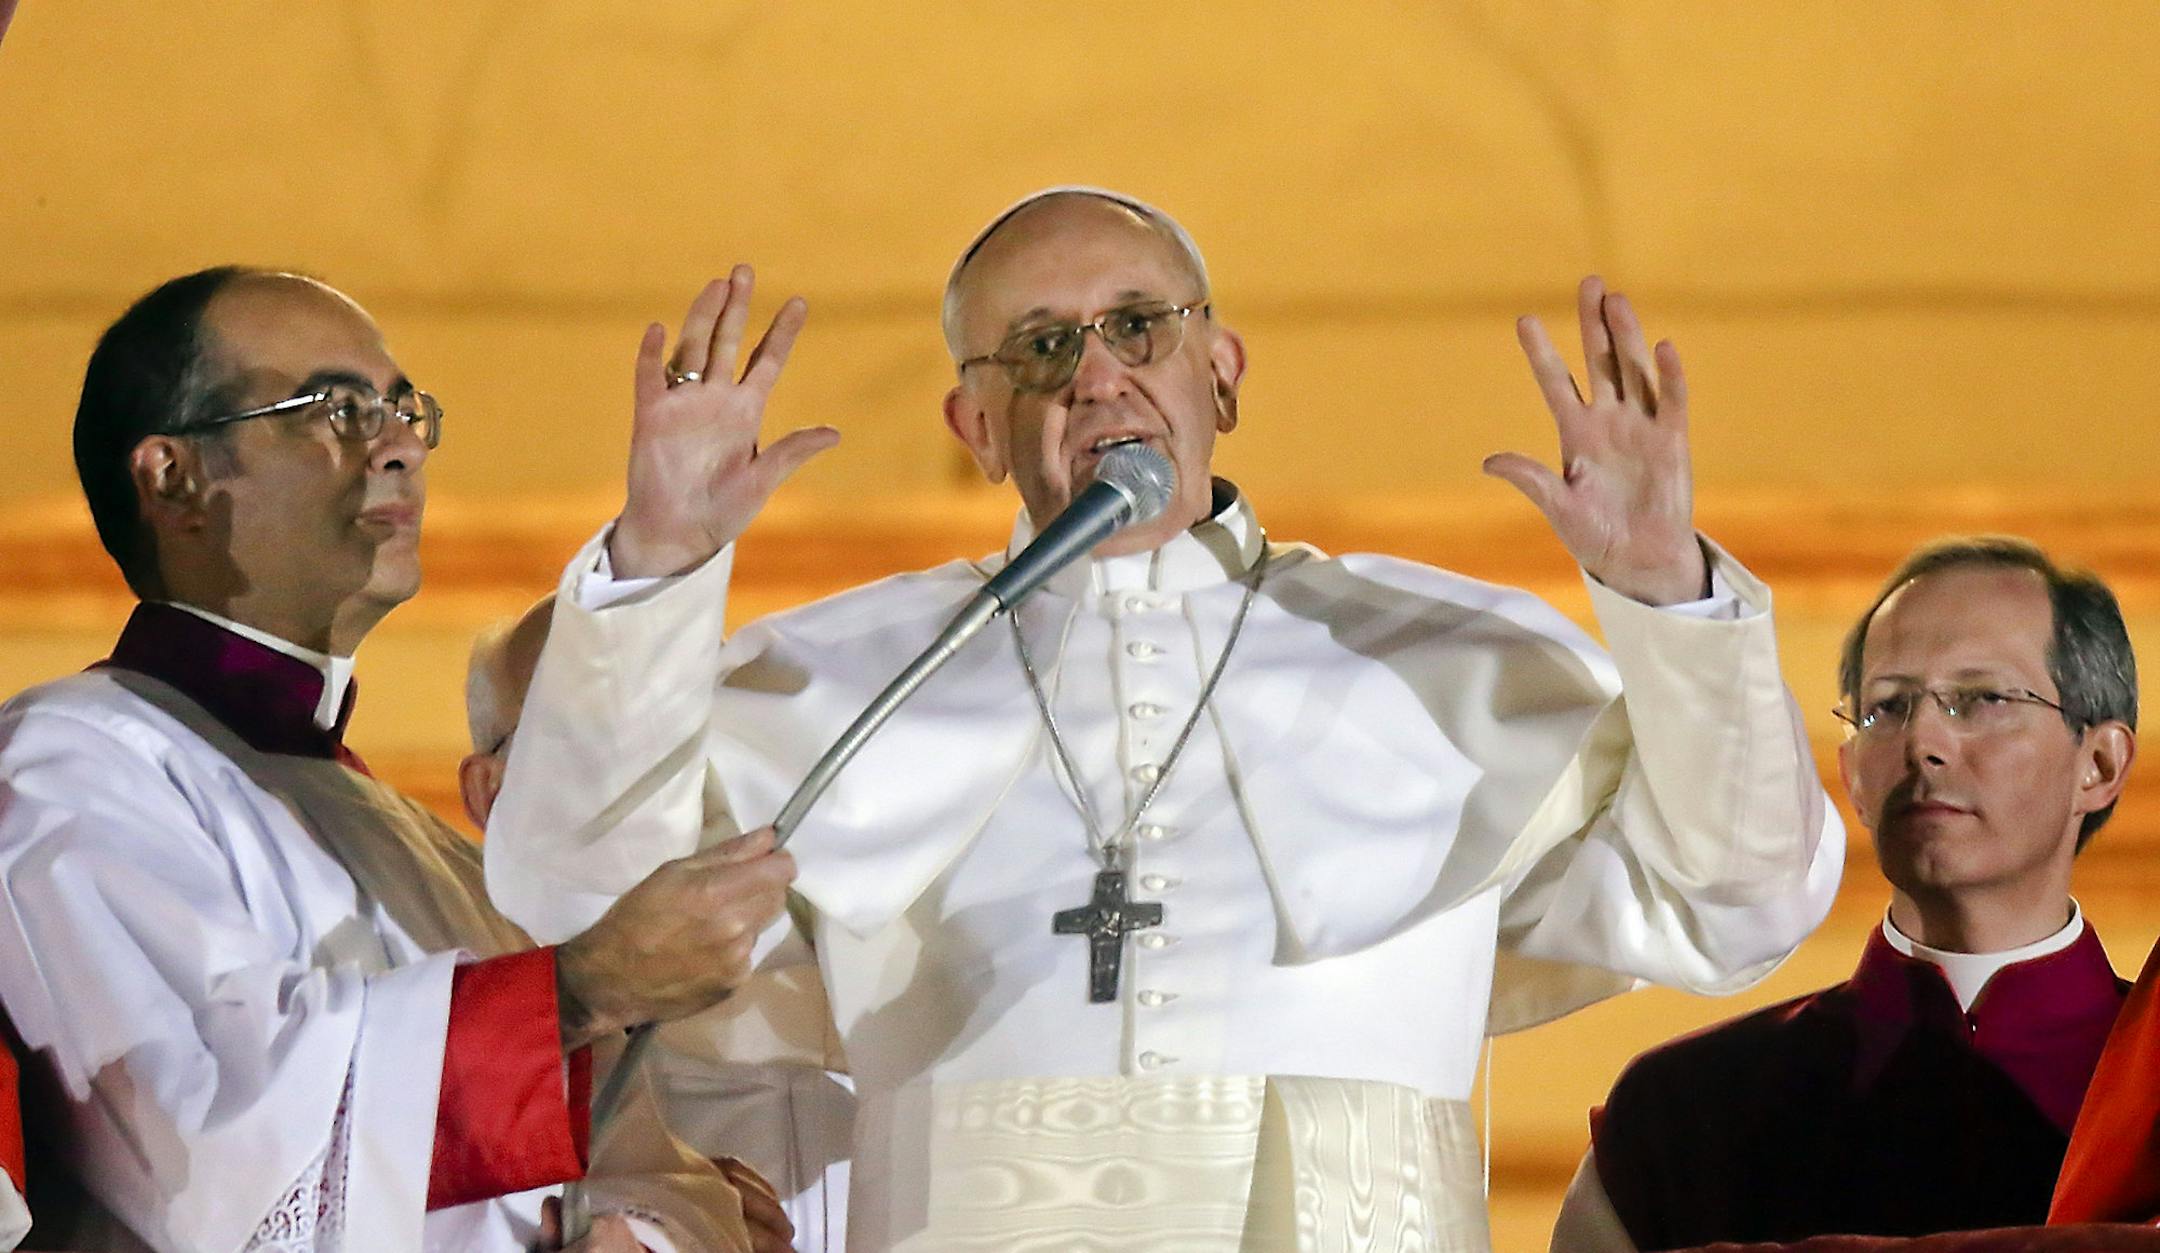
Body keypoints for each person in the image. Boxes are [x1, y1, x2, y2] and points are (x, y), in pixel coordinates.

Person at [485, 188, 1845, 1250]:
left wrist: (1666, 595)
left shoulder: (1442, 657)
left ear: (1223, 371)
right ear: (974, 419)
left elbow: (1740, 898)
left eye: (1140, 326)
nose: (1099, 377)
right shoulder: (847, 679)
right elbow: (578, 902)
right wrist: (659, 567)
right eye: (1042, 346)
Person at [0, 266, 802, 1251]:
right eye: (335, 408)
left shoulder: (440, 853)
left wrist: (662, 1227)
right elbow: (210, 1138)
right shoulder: (72, 762)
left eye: (403, 409)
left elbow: (638, 1172)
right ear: (174, 477)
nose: (398, 448)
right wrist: (581, 987)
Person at [1554, 538, 2138, 1251]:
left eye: (1982, 698)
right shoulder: (1682, 1113)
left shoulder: (2150, 1084)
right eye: (1887, 707)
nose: (1923, 739)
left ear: (2100, 763)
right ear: (1854, 777)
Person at [463, 597, 854, 1251]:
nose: (650, 781)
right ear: (489, 792)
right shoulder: (464, 1044)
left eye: (679, 730)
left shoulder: (871, 965)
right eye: (582, 738)